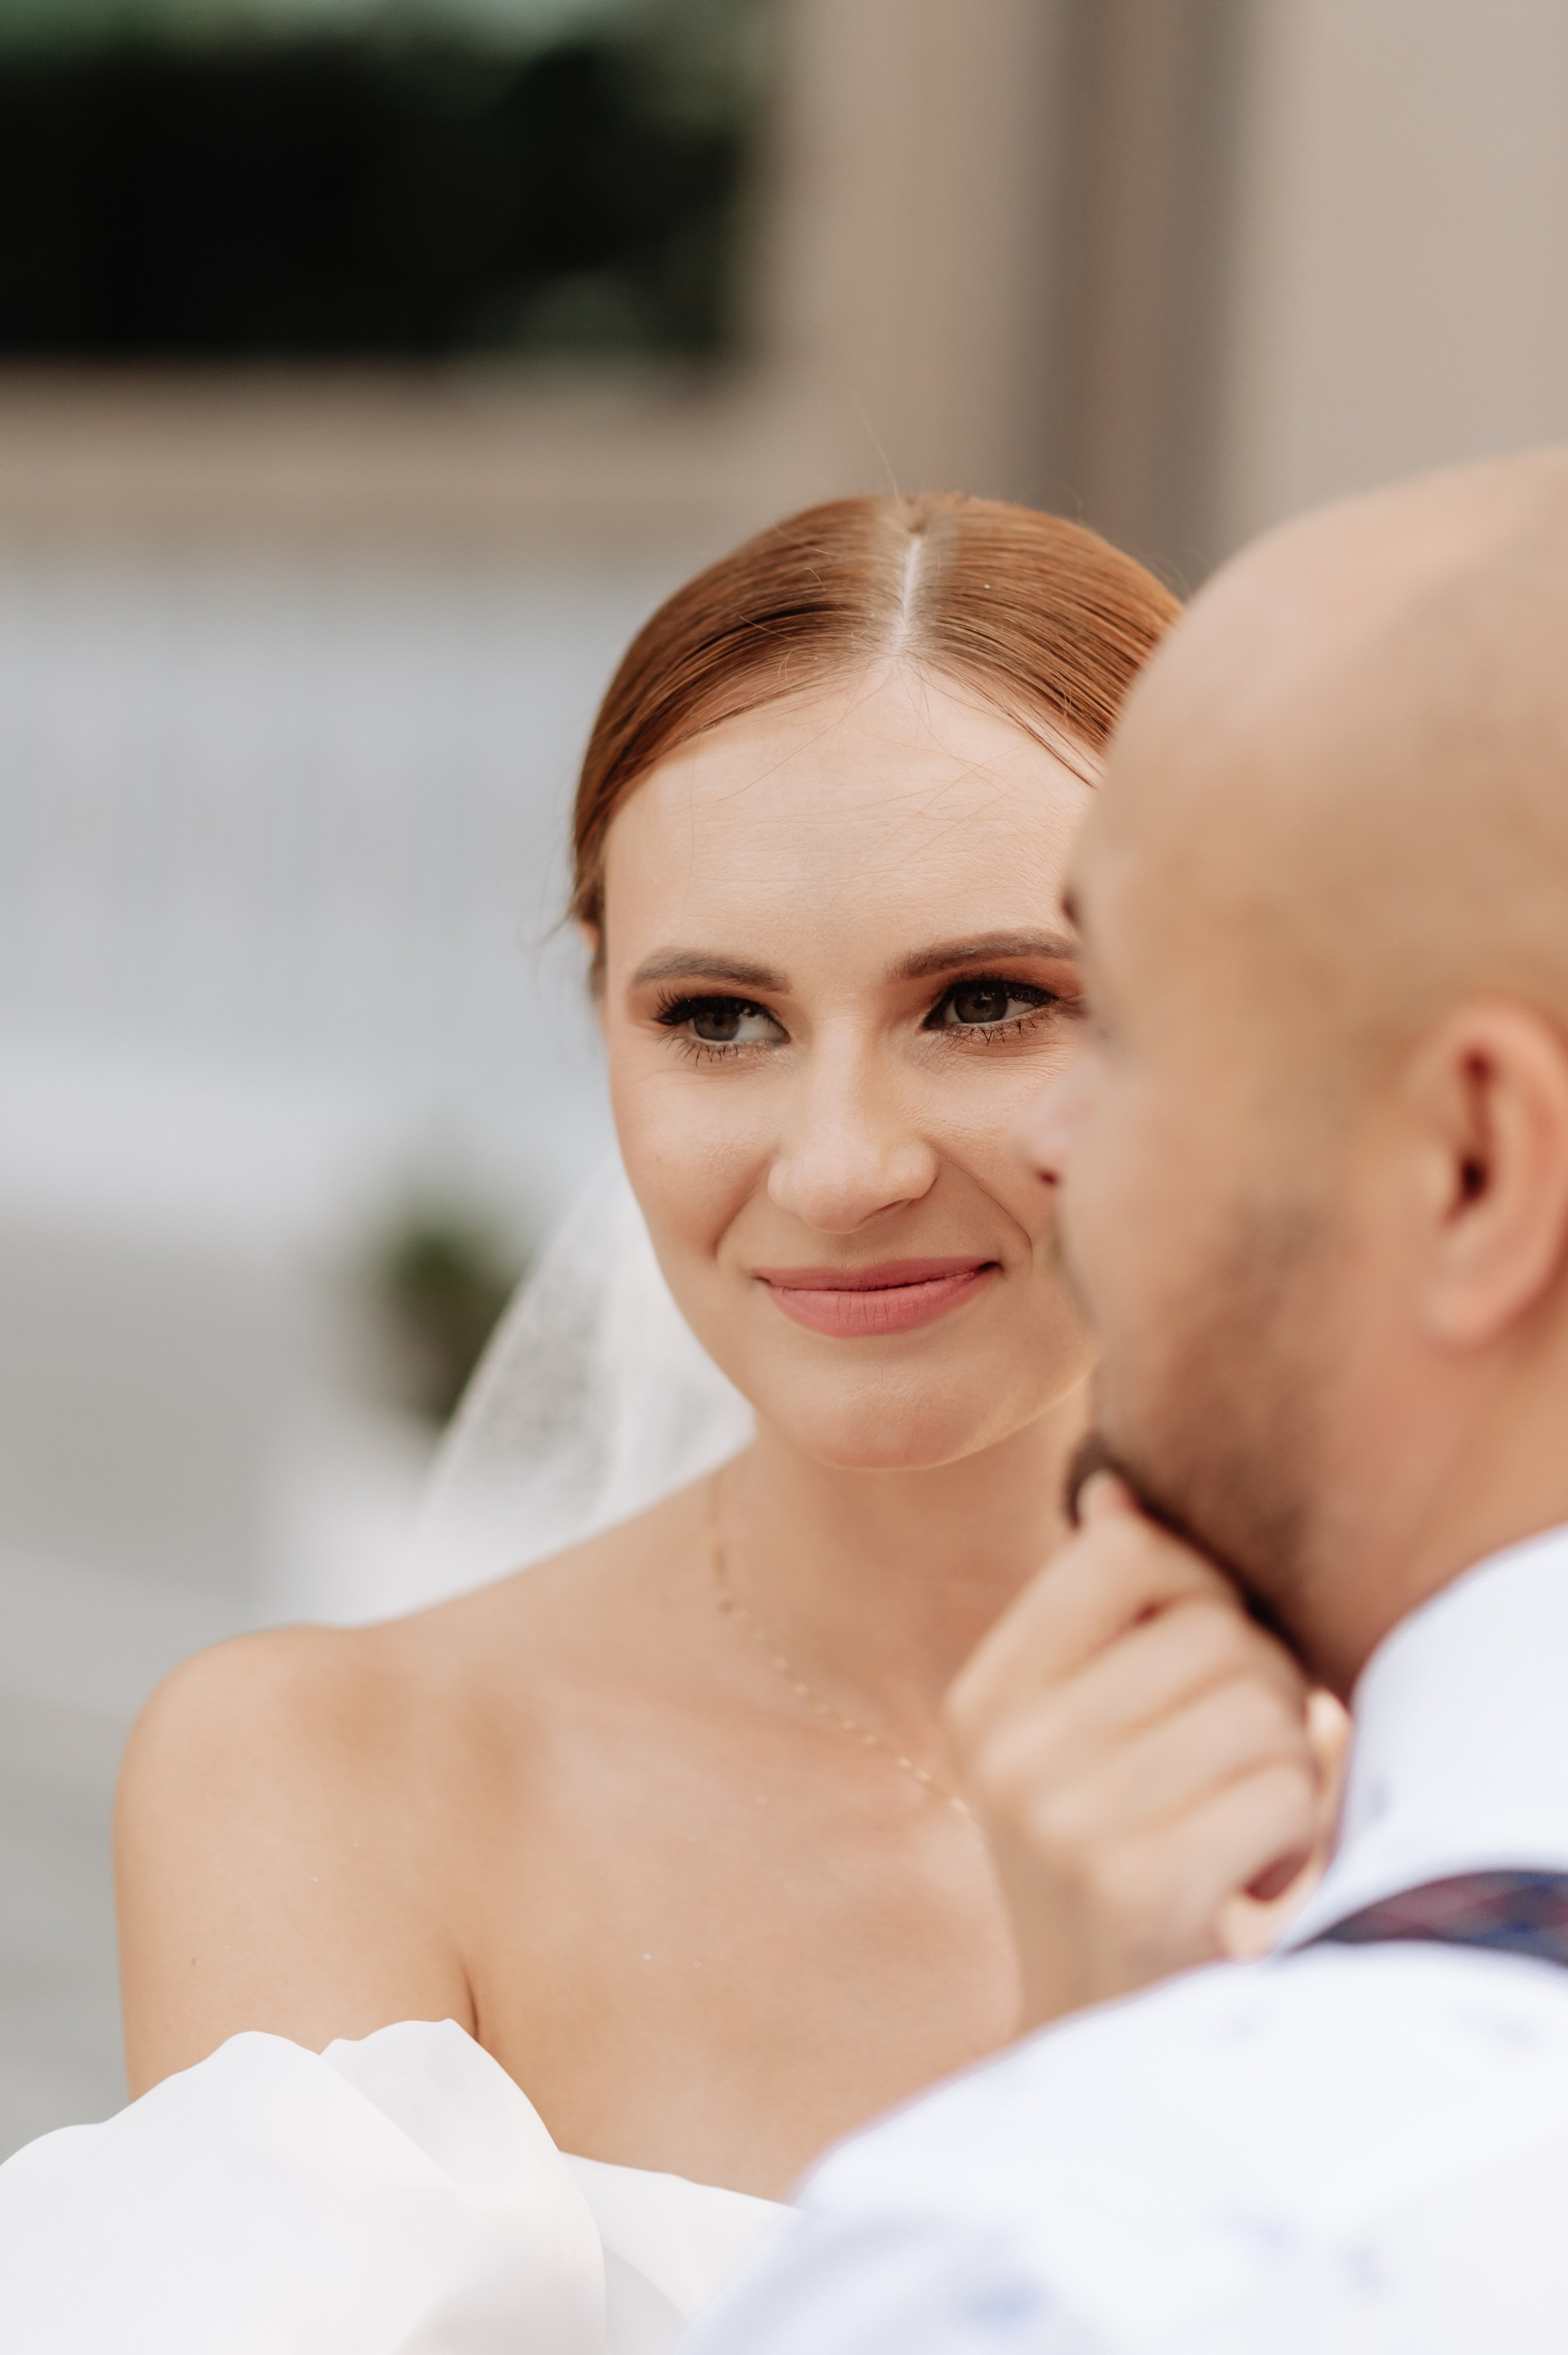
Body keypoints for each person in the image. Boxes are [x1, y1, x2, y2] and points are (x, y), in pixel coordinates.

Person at [0, 497, 1333, 2349]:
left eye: (989, 1001)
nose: (843, 1168)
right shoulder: (329, 1781)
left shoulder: (1467, 1747)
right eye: (719, 1020)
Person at [685, 447, 1568, 2354]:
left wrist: (1098, 2108)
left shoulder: (1078, 2254)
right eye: (716, 1017)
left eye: (1121, 1023)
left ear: (1478, 1168)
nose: (1058, 1147)